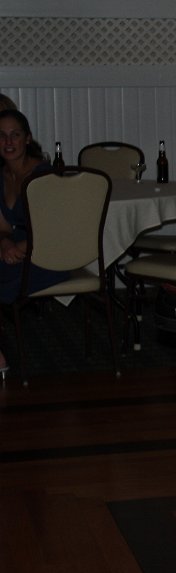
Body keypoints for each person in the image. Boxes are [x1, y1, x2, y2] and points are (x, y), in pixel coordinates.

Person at [0, 109, 70, 377]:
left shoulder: (42, 175)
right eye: (1, 135)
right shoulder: (2, 176)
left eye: (15, 135)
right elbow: (3, 228)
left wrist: (20, 247)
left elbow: (56, 229)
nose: (8, 142)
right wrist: (5, 243)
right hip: (17, 252)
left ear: (27, 139)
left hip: (49, 255)